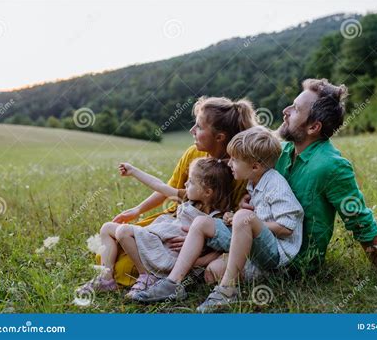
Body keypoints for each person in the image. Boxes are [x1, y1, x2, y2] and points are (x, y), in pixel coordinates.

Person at [204, 78, 377, 287]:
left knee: (212, 272)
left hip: (294, 262)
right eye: (291, 104)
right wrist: (251, 200)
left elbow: (361, 222)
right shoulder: (281, 153)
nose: (286, 110)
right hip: (265, 241)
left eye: (296, 109)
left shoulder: (332, 166)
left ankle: (225, 288)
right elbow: (265, 188)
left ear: (313, 127)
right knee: (200, 244)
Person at [130, 127, 304, 310]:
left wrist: (244, 221)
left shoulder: (275, 184)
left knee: (243, 217)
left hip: (275, 253)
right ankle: (173, 283)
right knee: (201, 222)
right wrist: (239, 220)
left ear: (255, 166)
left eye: (235, 160)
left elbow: (286, 227)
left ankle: (227, 291)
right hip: (254, 243)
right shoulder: (255, 181)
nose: (229, 164)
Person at [95, 96, 258, 287]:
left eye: (199, 127)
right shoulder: (193, 154)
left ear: (219, 137)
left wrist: (198, 244)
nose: (192, 131)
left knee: (124, 268)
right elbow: (168, 190)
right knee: (108, 251)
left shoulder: (240, 169)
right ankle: (126, 276)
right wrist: (137, 210)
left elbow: (231, 225)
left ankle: (151, 277)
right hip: (173, 222)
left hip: (200, 236)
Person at [77, 157, 233, 296]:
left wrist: (199, 261)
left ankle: (146, 276)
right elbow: (159, 186)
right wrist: (134, 171)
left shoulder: (216, 219)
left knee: (123, 231)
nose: (186, 183)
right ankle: (106, 278)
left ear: (207, 192)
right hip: (159, 236)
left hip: (169, 251)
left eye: (191, 181)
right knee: (107, 228)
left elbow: (222, 248)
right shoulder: (188, 197)